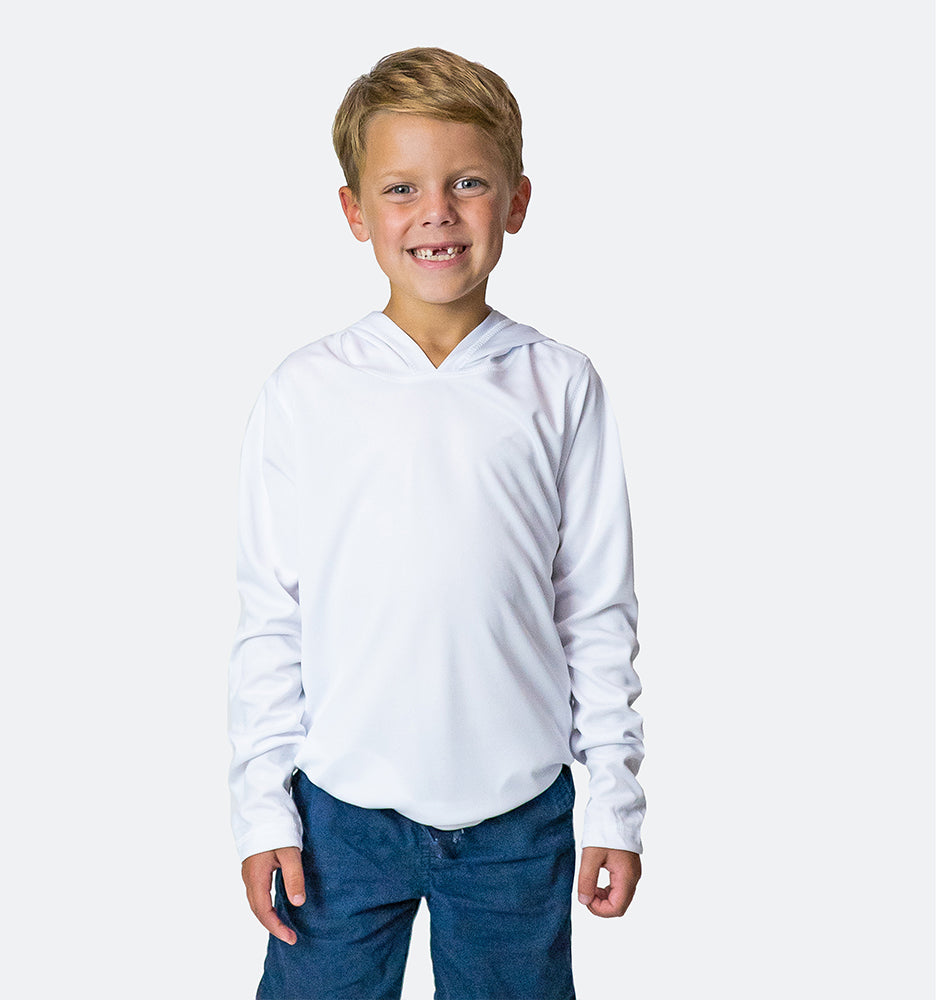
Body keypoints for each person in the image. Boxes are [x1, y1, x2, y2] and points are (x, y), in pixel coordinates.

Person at [228, 46, 646, 1000]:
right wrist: (263, 814)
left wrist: (614, 804)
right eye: (401, 188)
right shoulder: (306, 391)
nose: (437, 213)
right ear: (355, 211)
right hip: (339, 817)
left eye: (468, 183)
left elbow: (595, 609)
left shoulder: (558, 384)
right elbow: (272, 617)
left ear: (517, 201)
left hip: (516, 820)